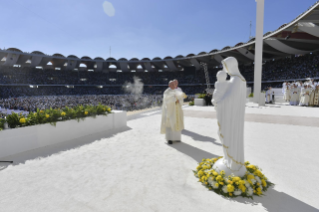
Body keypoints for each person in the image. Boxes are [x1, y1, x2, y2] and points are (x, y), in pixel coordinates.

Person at [212, 57, 246, 173]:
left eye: (226, 66)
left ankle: (232, 162)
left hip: (230, 116)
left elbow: (230, 98)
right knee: (224, 135)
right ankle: (229, 159)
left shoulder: (236, 80)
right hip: (232, 115)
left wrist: (219, 102)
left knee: (226, 135)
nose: (225, 69)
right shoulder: (238, 79)